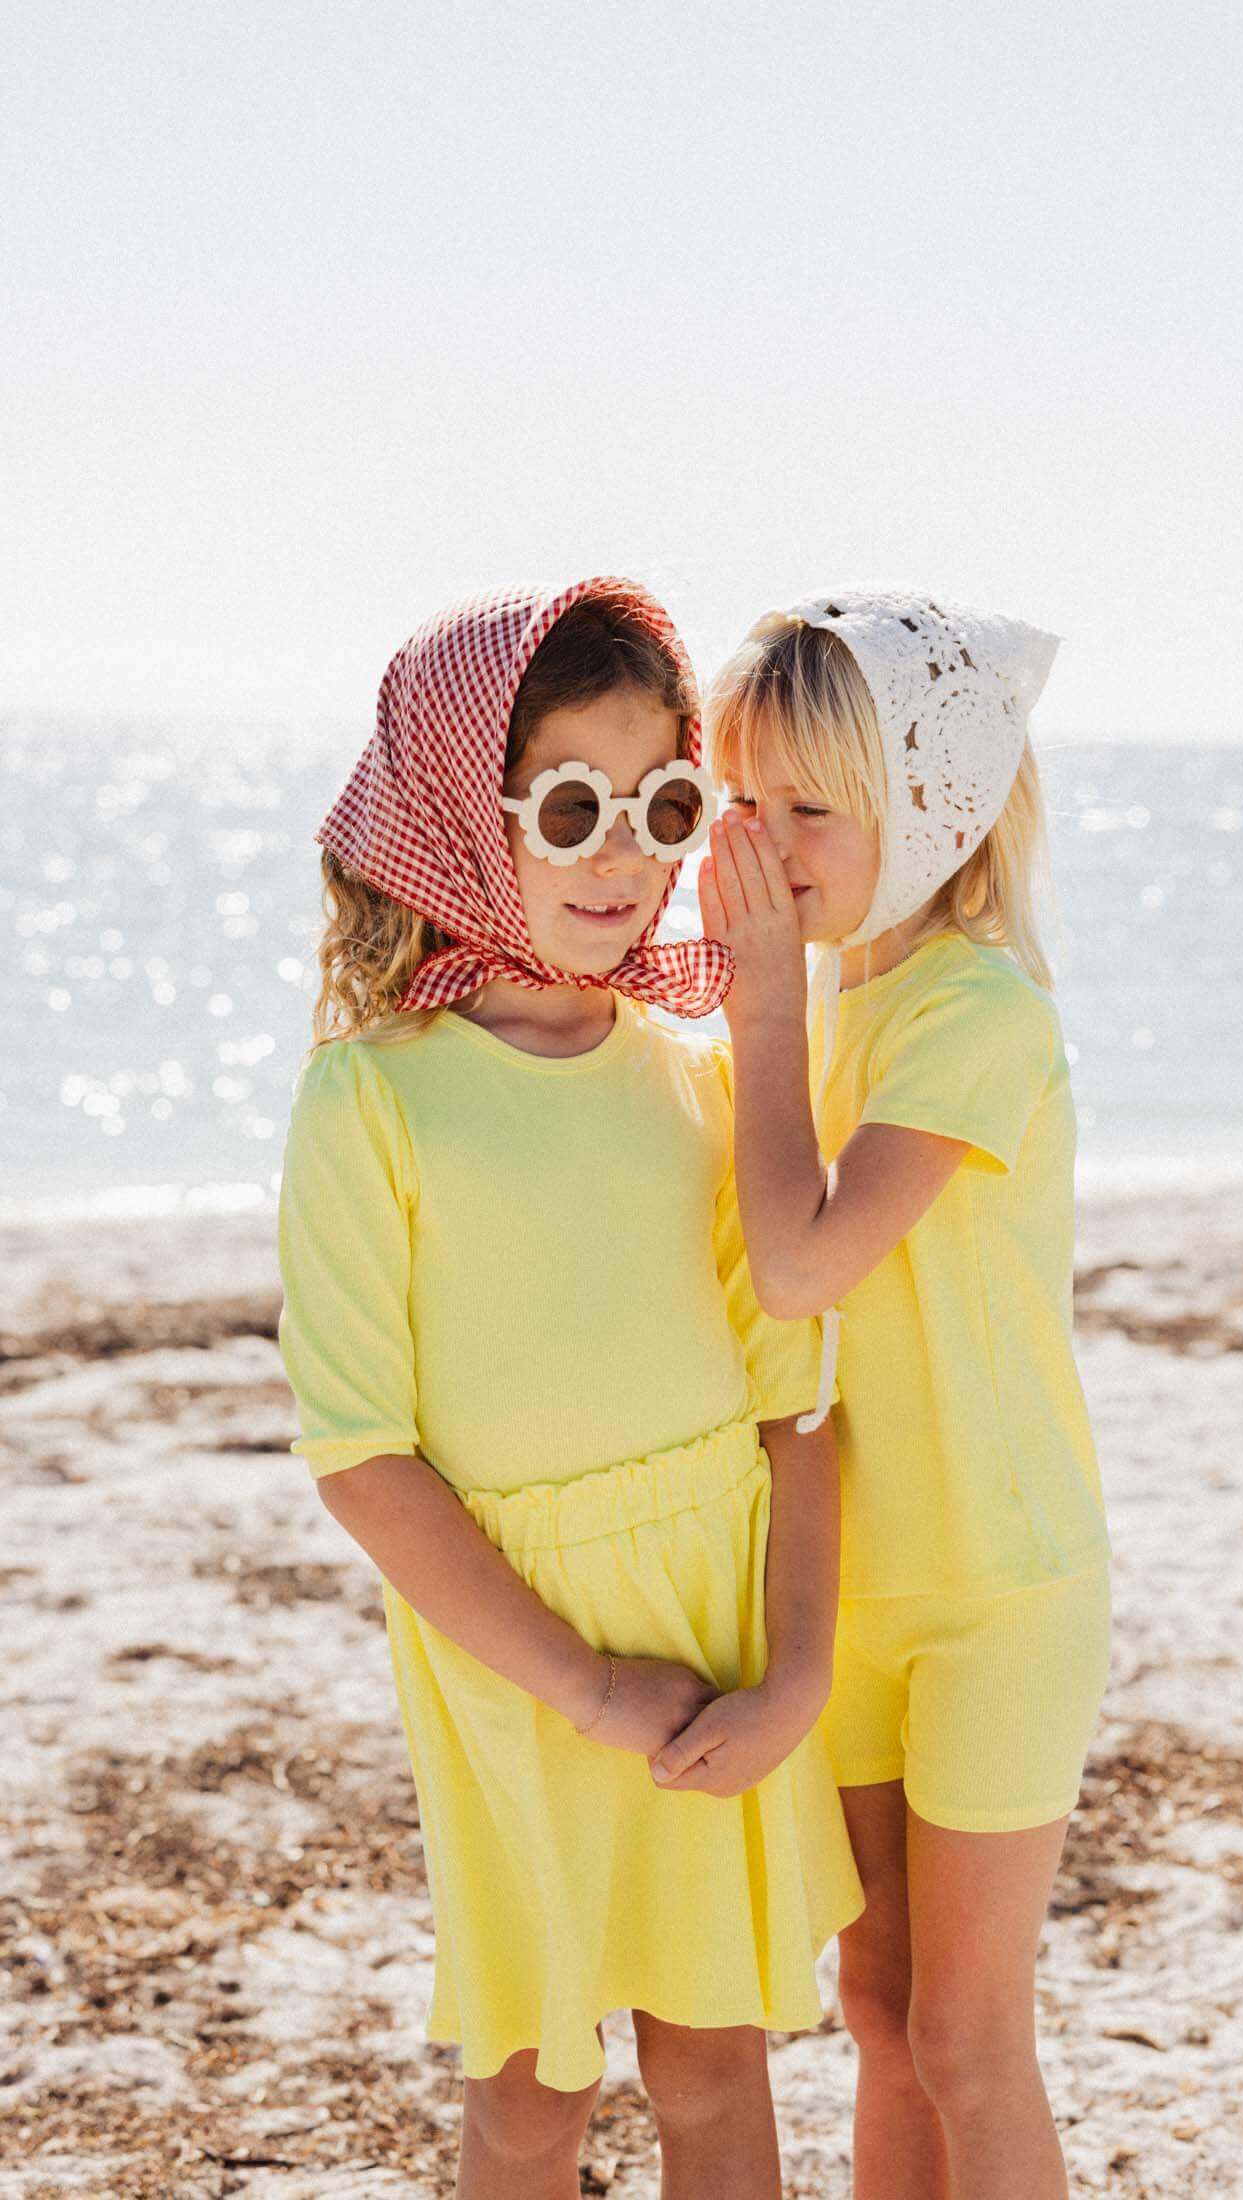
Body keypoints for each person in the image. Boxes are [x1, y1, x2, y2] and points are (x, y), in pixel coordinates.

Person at [276, 579, 862, 2200]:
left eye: (665, 805)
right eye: (573, 808)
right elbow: (361, 1455)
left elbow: (795, 1402)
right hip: (514, 1659)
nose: (624, 856)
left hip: (715, 1621)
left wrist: (796, 1676)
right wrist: (580, 1683)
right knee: (532, 2095)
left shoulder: (699, 1080)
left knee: (717, 2077)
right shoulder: (373, 1098)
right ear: (473, 812)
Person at [686, 591, 1111, 2200]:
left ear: (928, 819)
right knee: (875, 2009)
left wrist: (766, 1007)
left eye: (813, 809)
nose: (767, 843)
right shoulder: (816, 1017)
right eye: (743, 802)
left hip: (999, 1589)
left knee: (971, 2035)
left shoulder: (973, 1015)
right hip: (849, 1595)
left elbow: (806, 1264)